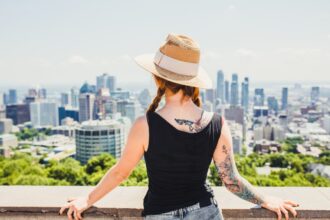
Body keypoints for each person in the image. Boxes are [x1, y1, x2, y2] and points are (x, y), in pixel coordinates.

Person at [59, 33, 299, 220]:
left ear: (158, 78)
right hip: (207, 212)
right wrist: (266, 199)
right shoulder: (217, 123)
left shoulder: (145, 125)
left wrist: (86, 199)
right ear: (193, 82)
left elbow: (121, 172)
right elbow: (231, 180)